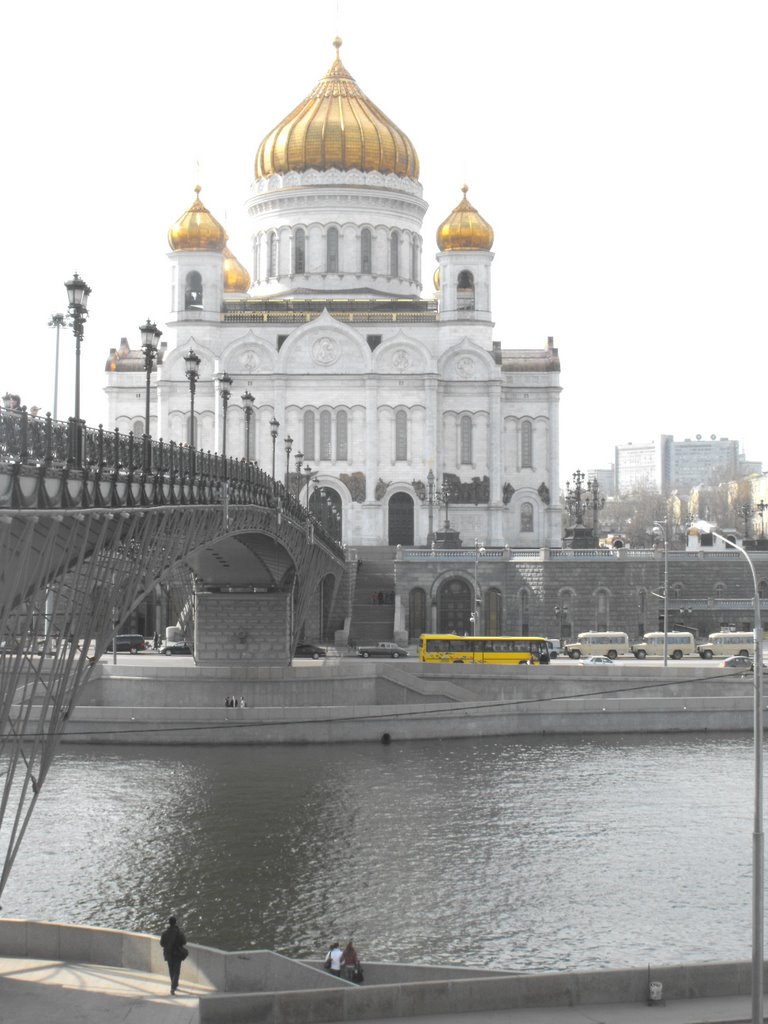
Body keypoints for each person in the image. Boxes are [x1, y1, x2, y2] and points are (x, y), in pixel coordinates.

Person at [160, 915, 187, 995]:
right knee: (177, 971)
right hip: (177, 953)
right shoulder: (179, 932)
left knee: (171, 969)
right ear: (175, 923)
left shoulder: (164, 933)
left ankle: (173, 983)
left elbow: (162, 944)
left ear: (169, 923)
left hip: (168, 954)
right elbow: (184, 942)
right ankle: (173, 986)